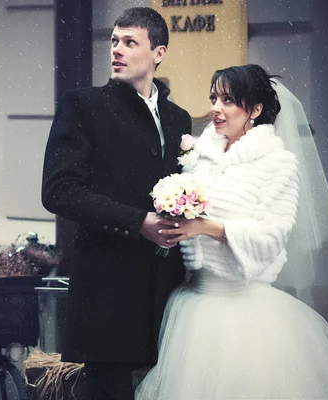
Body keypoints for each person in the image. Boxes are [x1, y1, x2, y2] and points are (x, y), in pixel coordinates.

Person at [136, 64, 328, 399]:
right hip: (192, 303)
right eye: (213, 97)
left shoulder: (277, 163)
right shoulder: (200, 155)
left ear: (255, 109)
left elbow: (272, 236)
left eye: (228, 100)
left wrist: (207, 227)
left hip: (244, 309)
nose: (216, 108)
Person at [41, 7, 192, 400]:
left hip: (166, 295)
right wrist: (137, 220)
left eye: (130, 42)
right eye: (114, 41)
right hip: (107, 292)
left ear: (158, 53)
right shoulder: (84, 106)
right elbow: (58, 190)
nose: (117, 50)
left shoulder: (179, 119)